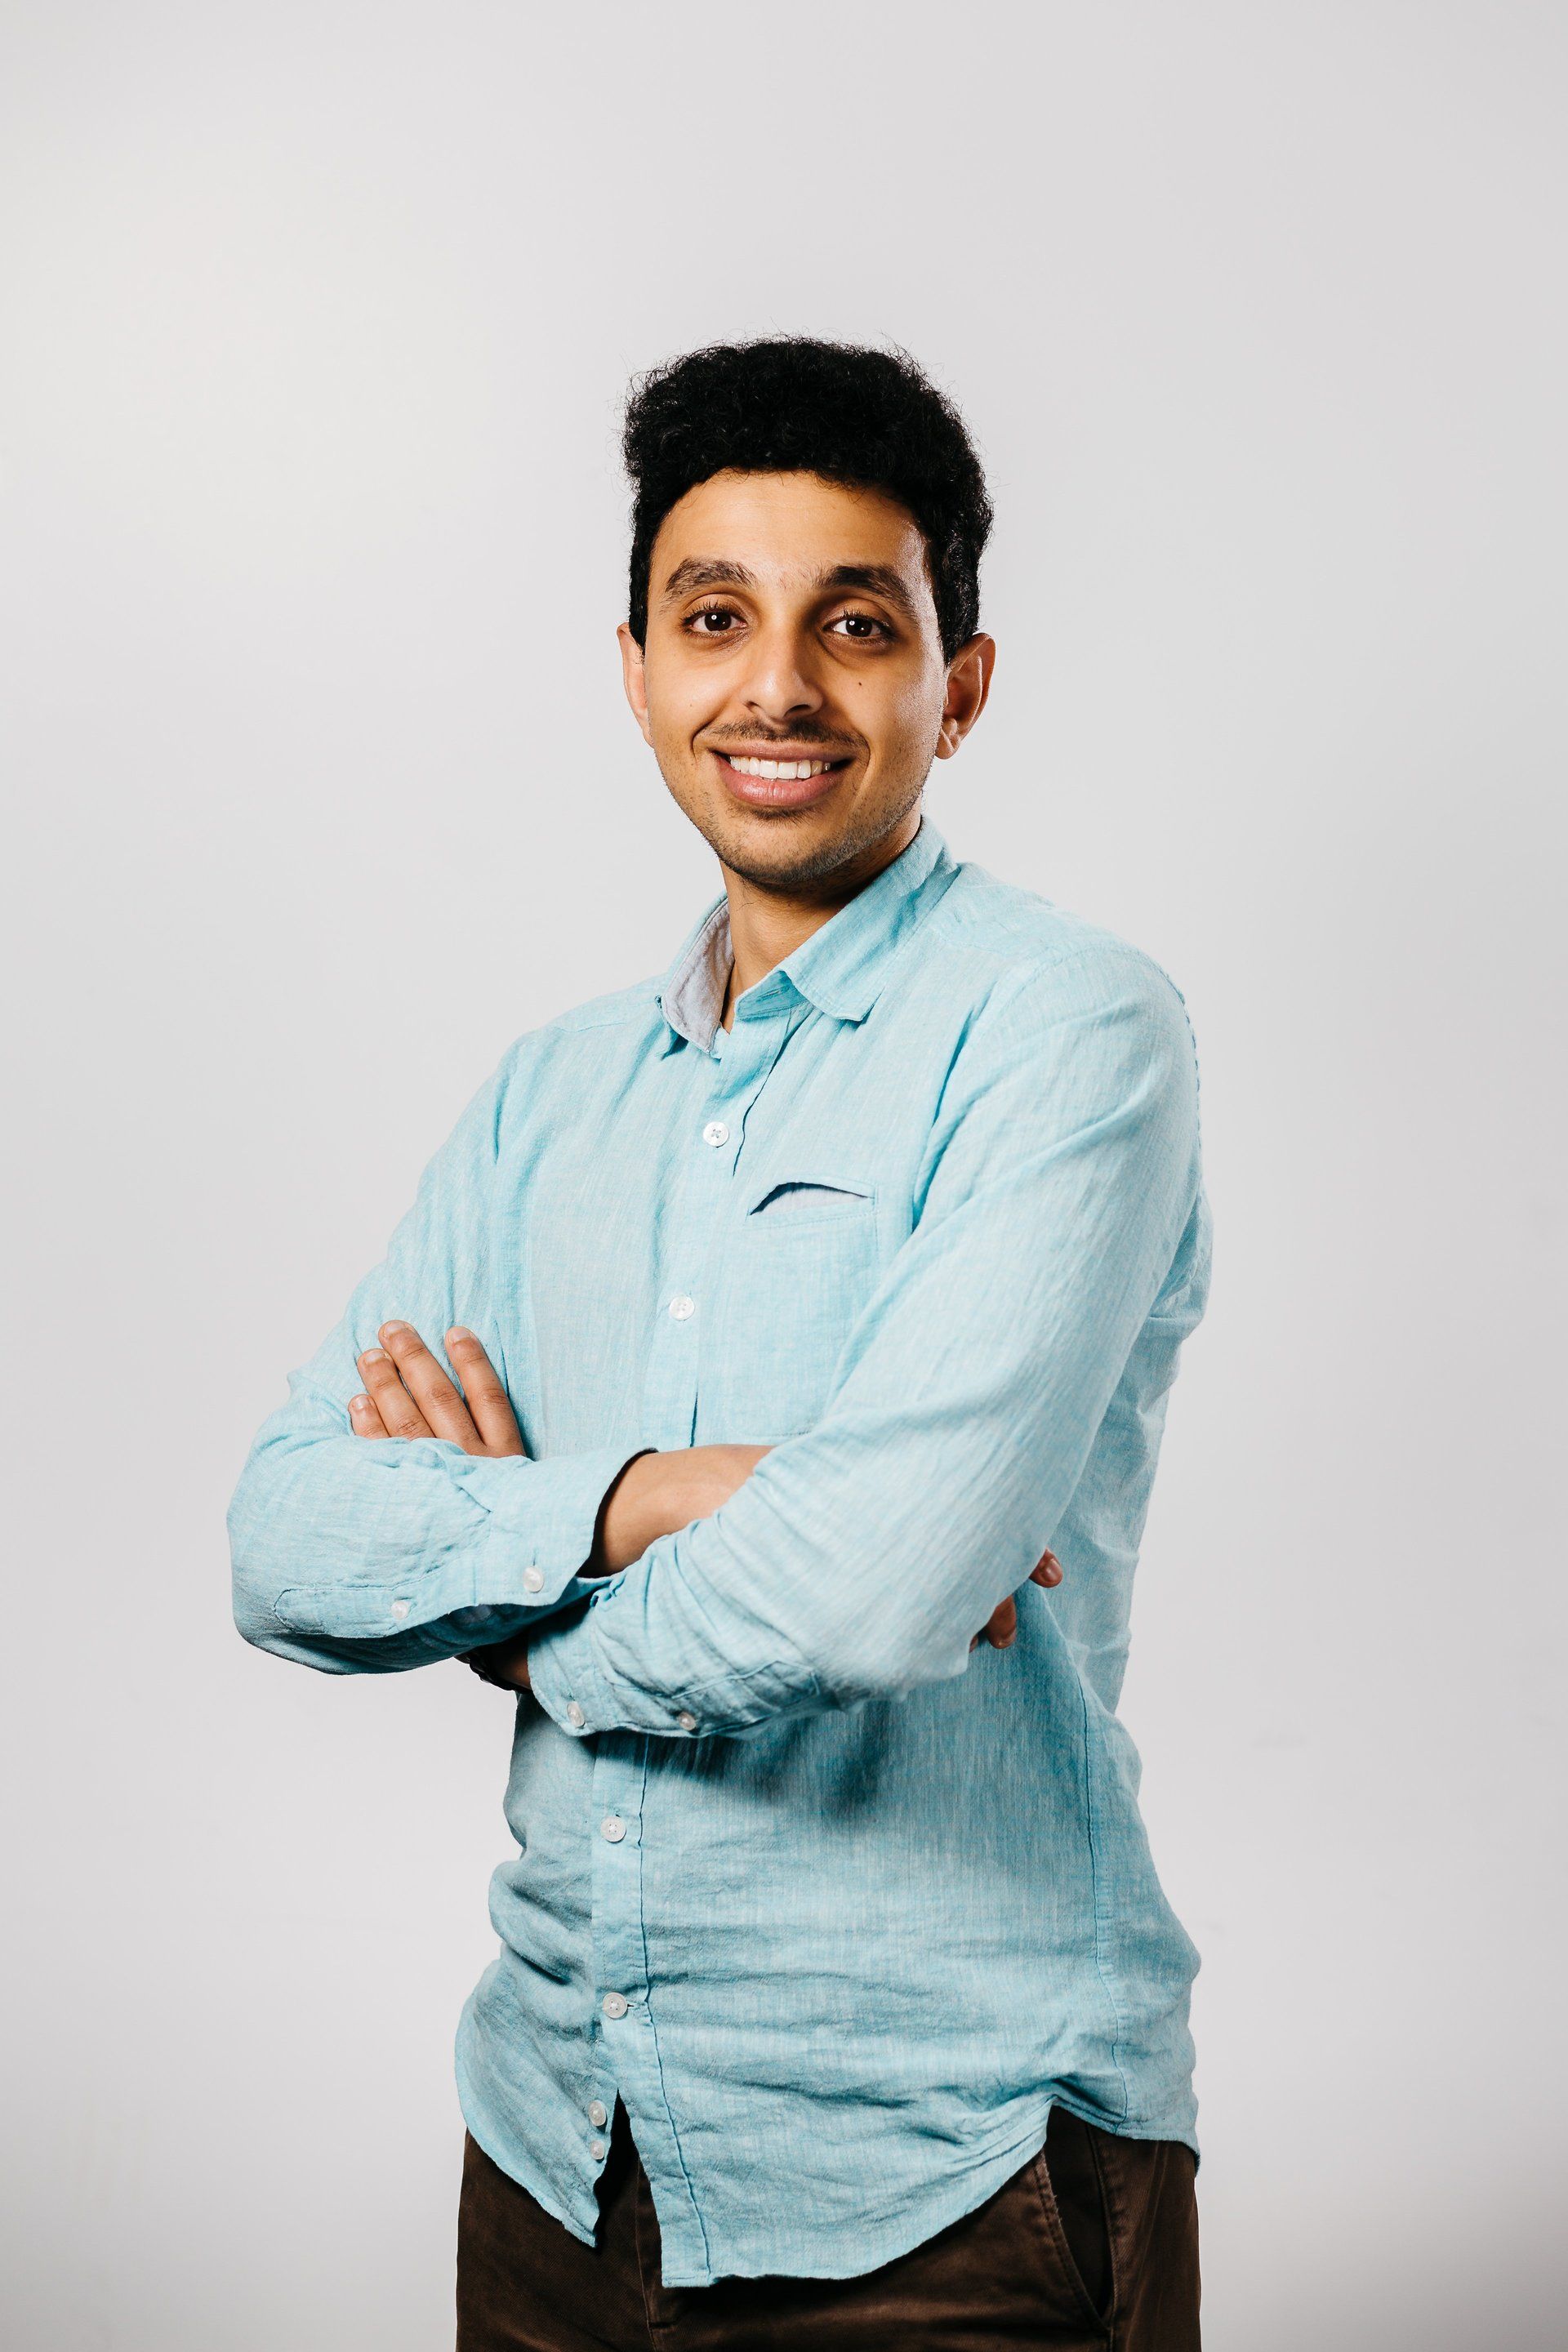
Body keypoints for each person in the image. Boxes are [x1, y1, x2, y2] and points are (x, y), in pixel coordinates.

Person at [229, 336, 1212, 2350]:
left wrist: (514, 1621)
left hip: (949, 2186)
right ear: (635, 670)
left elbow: (867, 1594)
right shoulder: (550, 1099)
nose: (776, 686)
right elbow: (283, 1538)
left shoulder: (1069, 1035)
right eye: (713, 618)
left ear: (960, 686)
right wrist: (652, 1499)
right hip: (554, 2153)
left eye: (856, 624)